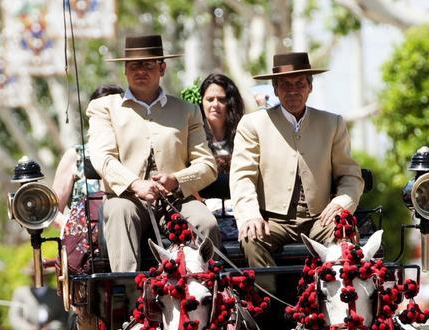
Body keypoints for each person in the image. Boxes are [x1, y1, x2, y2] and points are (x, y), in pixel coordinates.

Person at [86, 35, 219, 272]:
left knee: (205, 222)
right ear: (125, 70)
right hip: (127, 197)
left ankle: (206, 296)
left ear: (162, 68)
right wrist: (135, 184)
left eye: (148, 65)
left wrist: (176, 180)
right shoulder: (104, 107)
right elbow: (102, 158)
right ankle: (130, 298)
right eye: (134, 65)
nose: (141, 71)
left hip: (176, 200)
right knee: (119, 213)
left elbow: (207, 165)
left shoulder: (186, 111)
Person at [229, 52, 364, 268]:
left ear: (310, 87)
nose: (293, 91)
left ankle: (335, 299)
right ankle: (270, 300)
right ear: (274, 89)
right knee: (250, 238)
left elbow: (350, 175)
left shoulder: (332, 123)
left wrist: (341, 203)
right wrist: (250, 215)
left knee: (345, 235)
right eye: (285, 84)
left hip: (320, 219)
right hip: (272, 221)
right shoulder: (253, 124)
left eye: (300, 84)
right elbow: (242, 177)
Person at [50, 84, 125, 230]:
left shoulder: (135, 152)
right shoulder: (76, 155)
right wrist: (71, 225)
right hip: (85, 241)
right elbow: (52, 211)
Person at [196, 73, 246, 209]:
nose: (215, 105)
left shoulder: (244, 133)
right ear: (201, 102)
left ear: (230, 103)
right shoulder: (193, 136)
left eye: (222, 100)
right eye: (210, 99)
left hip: (240, 207)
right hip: (205, 211)